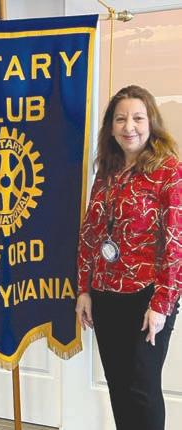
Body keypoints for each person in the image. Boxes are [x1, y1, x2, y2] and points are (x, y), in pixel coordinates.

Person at [76, 85, 181, 430]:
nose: (129, 127)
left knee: (142, 389)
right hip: (106, 294)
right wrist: (84, 289)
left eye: (137, 118)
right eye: (120, 119)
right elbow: (90, 234)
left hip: (148, 297)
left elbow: (176, 243)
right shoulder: (106, 172)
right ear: (111, 127)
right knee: (119, 385)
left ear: (151, 123)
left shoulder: (169, 171)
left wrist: (162, 305)